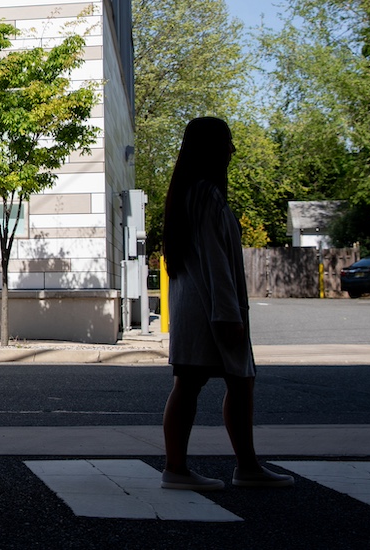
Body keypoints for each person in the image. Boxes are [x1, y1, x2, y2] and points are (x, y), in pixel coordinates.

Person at [159, 117, 293, 491]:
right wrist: (227, 313)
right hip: (212, 308)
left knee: (190, 382)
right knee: (237, 380)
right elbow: (217, 261)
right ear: (212, 149)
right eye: (227, 143)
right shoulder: (206, 194)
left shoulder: (185, 194)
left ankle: (181, 467)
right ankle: (240, 467)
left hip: (193, 305)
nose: (232, 150)